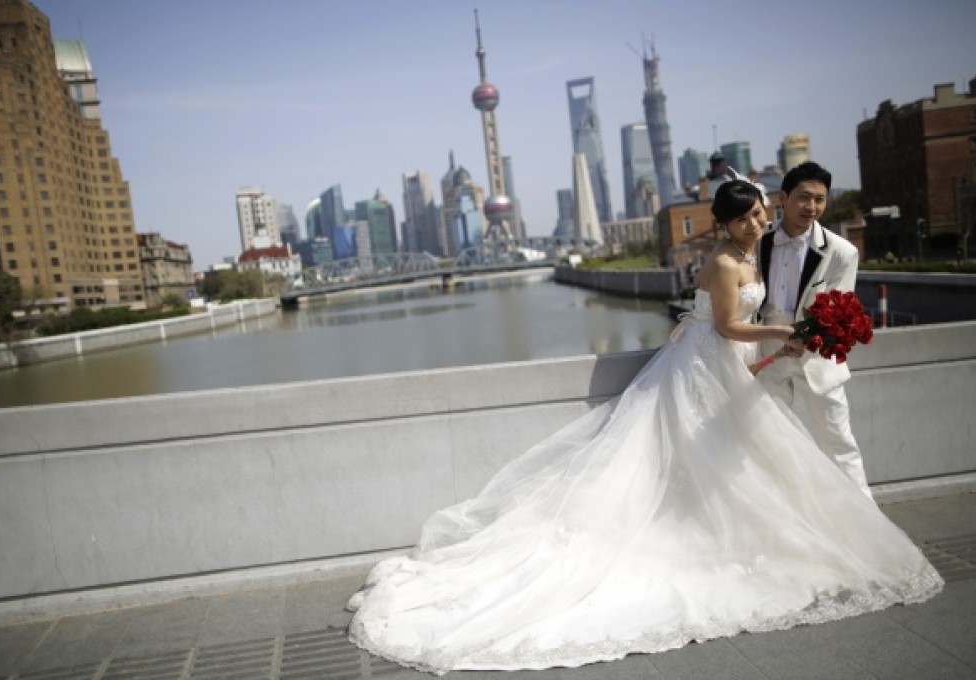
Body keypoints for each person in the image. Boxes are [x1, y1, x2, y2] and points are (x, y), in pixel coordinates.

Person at [347, 181, 942, 675]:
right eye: (753, 218)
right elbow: (731, 327)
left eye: (763, 215)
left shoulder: (746, 256)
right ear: (730, 224)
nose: (762, 224)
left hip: (726, 367)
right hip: (706, 365)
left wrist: (785, 340)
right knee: (695, 457)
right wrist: (784, 335)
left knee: (738, 458)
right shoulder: (719, 264)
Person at [758, 162, 870, 496]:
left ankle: (866, 523)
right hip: (767, 353)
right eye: (804, 197)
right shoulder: (759, 245)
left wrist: (807, 337)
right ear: (783, 198)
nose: (812, 207)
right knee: (768, 440)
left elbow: (840, 308)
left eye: (820, 199)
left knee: (839, 443)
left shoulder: (842, 252)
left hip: (817, 357)